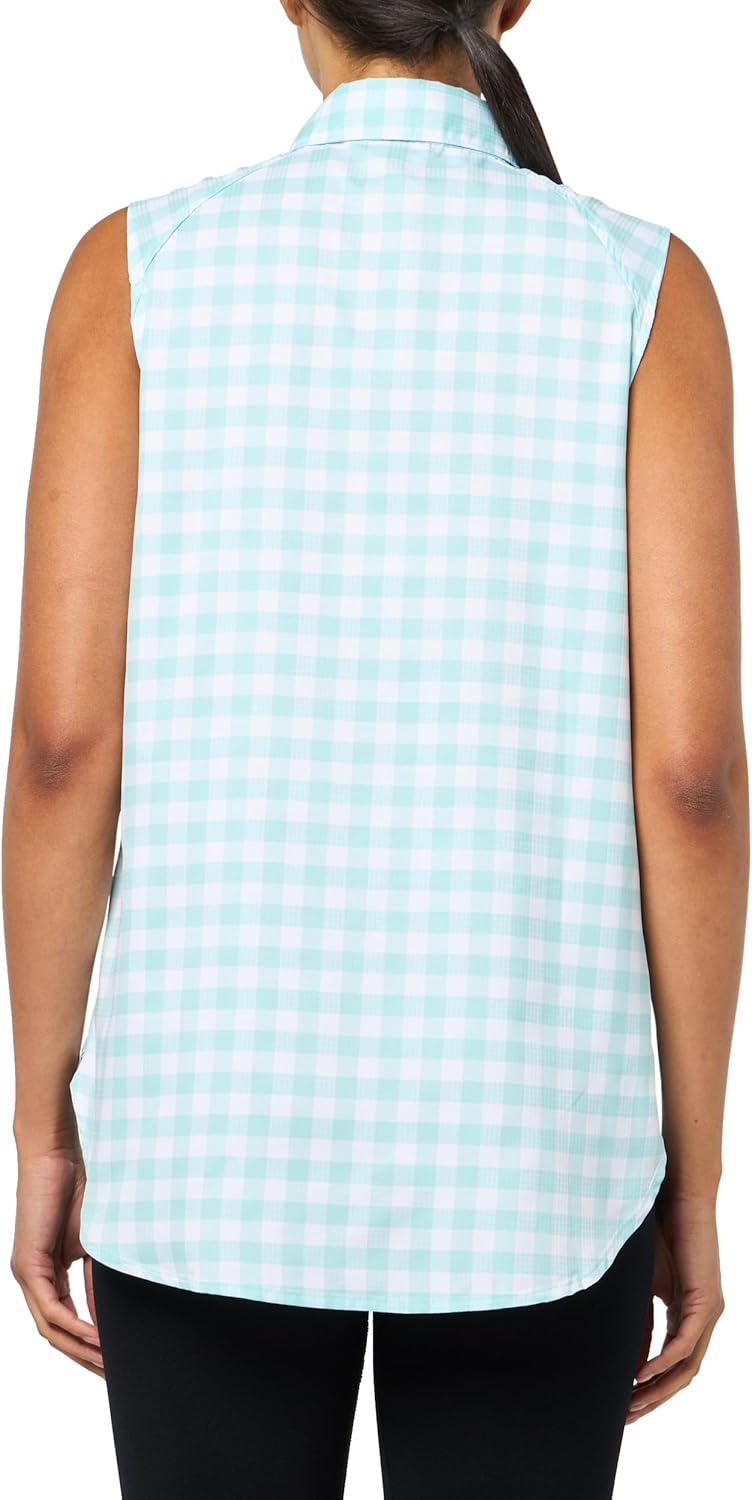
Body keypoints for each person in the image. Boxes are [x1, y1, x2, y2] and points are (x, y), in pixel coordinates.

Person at [4, 2, 746, 1497]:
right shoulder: (644, 289)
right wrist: (692, 1168)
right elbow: (694, 781)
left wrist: (42, 1124)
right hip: (542, 1159)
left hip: (201, 1143)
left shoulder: (136, 270)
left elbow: (63, 747)